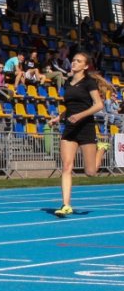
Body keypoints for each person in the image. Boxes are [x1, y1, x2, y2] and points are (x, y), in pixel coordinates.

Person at [47, 53, 103, 217]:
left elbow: (99, 105)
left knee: (90, 172)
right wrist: (59, 117)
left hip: (86, 127)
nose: (74, 63)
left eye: (78, 61)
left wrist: (80, 115)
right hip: (70, 128)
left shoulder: (89, 82)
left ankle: (101, 149)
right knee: (66, 166)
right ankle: (66, 205)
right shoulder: (68, 83)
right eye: (73, 60)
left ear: (85, 66)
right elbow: (70, 107)